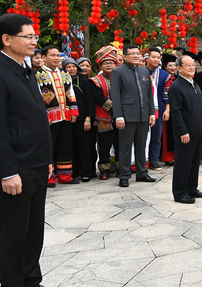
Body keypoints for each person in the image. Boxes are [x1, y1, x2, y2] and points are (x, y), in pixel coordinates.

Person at [0, 13, 67, 287]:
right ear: (6, 39)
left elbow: (36, 118)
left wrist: (47, 159)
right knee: (14, 234)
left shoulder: (26, 70)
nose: (33, 42)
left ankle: (31, 283)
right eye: (27, 36)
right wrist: (7, 171)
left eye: (33, 36)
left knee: (33, 230)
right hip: (15, 168)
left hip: (37, 163)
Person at [110, 44, 157, 187]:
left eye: (138, 53)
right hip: (126, 116)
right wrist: (118, 116)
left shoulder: (144, 71)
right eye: (132, 53)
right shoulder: (118, 72)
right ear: (125, 56)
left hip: (143, 115)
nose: (136, 56)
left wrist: (151, 113)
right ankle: (124, 176)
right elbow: (115, 96)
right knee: (125, 147)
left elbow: (149, 95)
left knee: (141, 146)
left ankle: (142, 173)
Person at [36, 46, 79, 186]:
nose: (56, 58)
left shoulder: (65, 73)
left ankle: (65, 176)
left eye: (58, 55)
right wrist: (44, 114)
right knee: (49, 147)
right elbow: (37, 97)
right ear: (44, 58)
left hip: (65, 116)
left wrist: (74, 110)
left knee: (65, 146)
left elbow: (71, 92)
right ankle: (49, 177)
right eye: (52, 55)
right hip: (49, 118)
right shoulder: (37, 74)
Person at [169, 55, 202, 204]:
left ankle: (192, 188)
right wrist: (182, 131)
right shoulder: (176, 87)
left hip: (198, 130)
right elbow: (176, 112)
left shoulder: (194, 83)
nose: (192, 67)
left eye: (193, 64)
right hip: (186, 132)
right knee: (183, 163)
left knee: (194, 162)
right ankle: (180, 192)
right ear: (179, 68)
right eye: (188, 65)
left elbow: (199, 108)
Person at [63, 58, 96, 182]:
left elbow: (89, 101)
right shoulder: (62, 81)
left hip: (82, 119)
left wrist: (88, 118)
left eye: (73, 66)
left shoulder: (84, 81)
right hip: (67, 119)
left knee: (84, 146)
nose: (71, 69)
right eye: (68, 67)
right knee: (71, 146)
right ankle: (74, 171)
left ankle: (86, 172)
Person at [89, 46, 119, 180]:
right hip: (103, 117)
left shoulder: (120, 78)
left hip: (120, 118)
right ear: (100, 65)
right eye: (105, 63)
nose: (108, 65)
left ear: (116, 64)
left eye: (111, 62)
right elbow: (99, 98)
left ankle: (120, 168)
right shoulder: (95, 80)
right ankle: (104, 170)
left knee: (120, 144)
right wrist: (116, 109)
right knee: (104, 145)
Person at [145, 47, 165, 170]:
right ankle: (142, 160)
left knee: (156, 136)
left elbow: (166, 94)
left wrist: (167, 109)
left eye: (158, 57)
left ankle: (153, 160)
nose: (156, 59)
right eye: (153, 57)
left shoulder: (164, 74)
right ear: (147, 58)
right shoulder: (140, 72)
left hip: (159, 109)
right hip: (143, 109)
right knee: (142, 136)